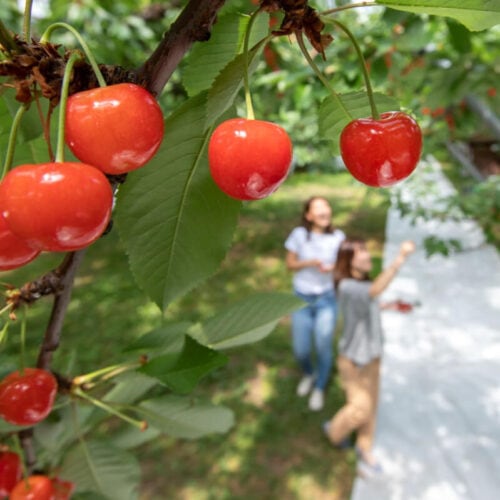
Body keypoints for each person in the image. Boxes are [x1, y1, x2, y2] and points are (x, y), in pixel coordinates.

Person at [323, 238, 416, 477]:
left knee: (371, 409)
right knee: (360, 409)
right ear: (348, 261)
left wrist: (387, 306)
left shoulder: (359, 284)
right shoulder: (345, 285)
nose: (367, 256)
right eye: (360, 252)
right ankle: (334, 432)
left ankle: (364, 448)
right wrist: (400, 258)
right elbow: (373, 290)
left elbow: (370, 298)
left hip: (373, 356)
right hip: (353, 360)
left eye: (366, 250)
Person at [284, 196, 346, 411]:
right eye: (318, 209)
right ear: (309, 216)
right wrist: (309, 263)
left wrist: (334, 268)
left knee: (323, 345)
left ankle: (320, 386)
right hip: (300, 300)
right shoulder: (299, 236)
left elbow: (344, 266)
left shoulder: (338, 237)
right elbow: (289, 265)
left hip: (327, 299)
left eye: (327, 207)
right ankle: (309, 374)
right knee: (300, 350)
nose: (324, 211)